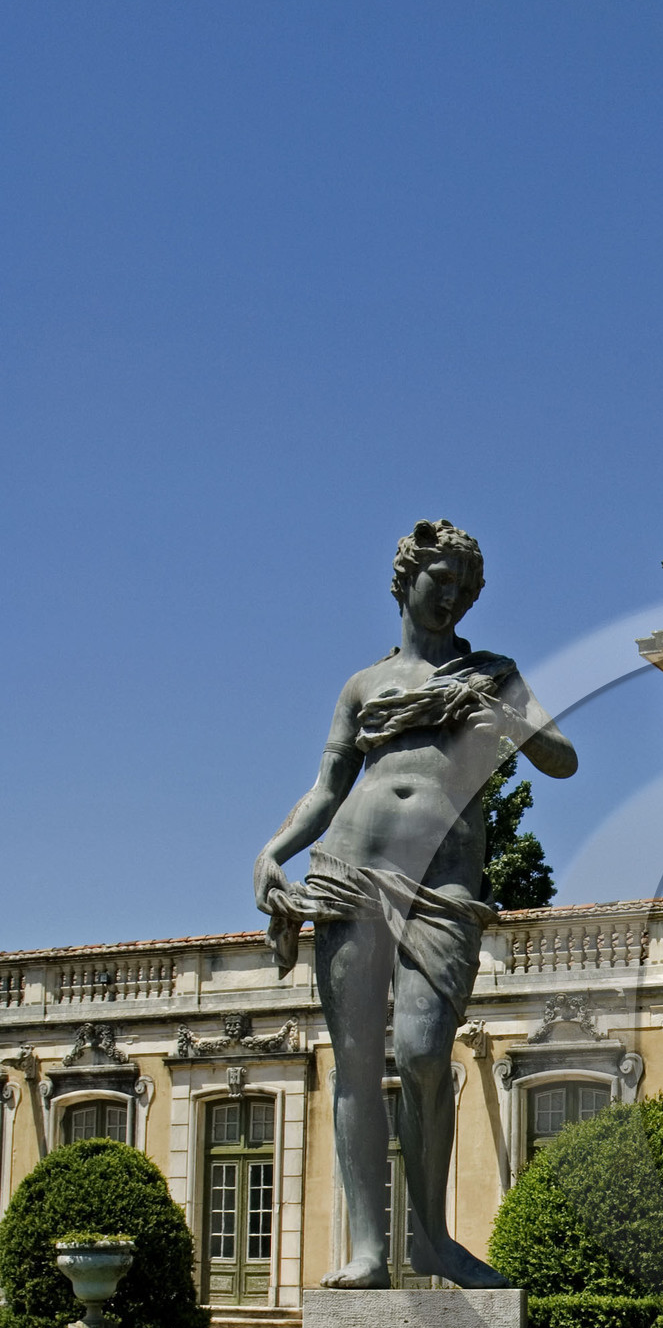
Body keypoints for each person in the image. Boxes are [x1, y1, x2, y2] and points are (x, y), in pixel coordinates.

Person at [253, 520, 576, 1288]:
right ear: (406, 581)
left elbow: (562, 759)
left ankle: (431, 1240)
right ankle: (370, 1248)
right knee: (358, 1067)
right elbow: (328, 790)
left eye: (466, 589)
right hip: (351, 869)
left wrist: (510, 724)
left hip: (444, 883)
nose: (454, 599)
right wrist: (273, 850)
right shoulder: (364, 686)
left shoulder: (495, 674)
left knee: (426, 1053)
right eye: (442, 583)